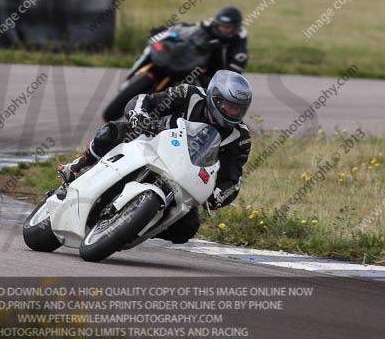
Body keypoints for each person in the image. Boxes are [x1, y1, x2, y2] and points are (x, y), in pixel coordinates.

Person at [58, 70, 252, 244]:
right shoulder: (189, 94)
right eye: (229, 106)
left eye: (238, 109)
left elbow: (232, 179)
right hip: (150, 143)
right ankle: (77, 166)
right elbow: (146, 100)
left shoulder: (240, 138)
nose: (233, 112)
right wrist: (139, 115)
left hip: (183, 176)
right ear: (215, 98)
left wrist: (218, 195)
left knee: (187, 228)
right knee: (110, 133)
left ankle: (138, 227)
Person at [150, 6, 249, 87]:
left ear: (236, 27)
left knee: (193, 91)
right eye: (222, 25)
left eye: (228, 27)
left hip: (213, 77)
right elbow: (188, 30)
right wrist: (165, 30)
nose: (224, 29)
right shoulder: (209, 25)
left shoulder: (239, 47)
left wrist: (209, 79)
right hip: (192, 62)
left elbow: (231, 76)